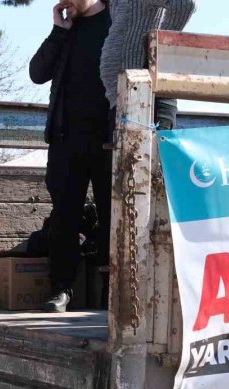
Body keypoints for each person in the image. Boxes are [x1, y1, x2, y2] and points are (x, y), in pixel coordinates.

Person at [30, 0, 112, 313]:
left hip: (111, 141)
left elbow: (151, 67)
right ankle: (61, 289)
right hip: (67, 139)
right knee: (64, 217)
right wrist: (57, 31)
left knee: (112, 218)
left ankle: (110, 293)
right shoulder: (66, 30)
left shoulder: (119, 22)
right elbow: (37, 74)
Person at [100, 0, 196, 131]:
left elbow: (183, 4)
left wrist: (158, 46)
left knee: (146, 150)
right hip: (126, 97)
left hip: (147, 97)